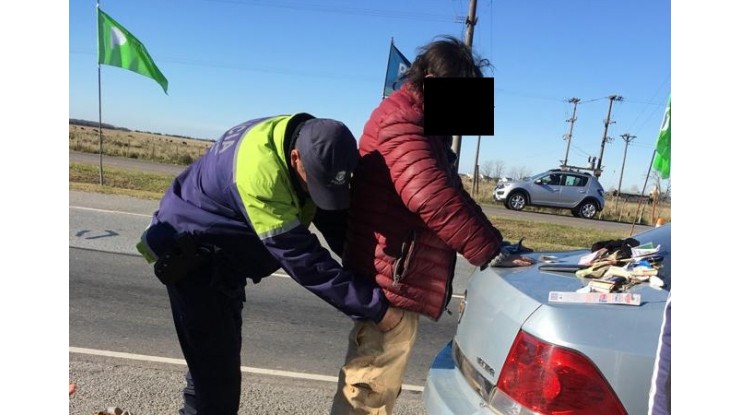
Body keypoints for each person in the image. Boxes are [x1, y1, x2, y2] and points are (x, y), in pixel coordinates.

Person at [136, 113, 403, 415]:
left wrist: (371, 271)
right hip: (195, 258)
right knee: (217, 390)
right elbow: (304, 261)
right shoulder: (261, 175)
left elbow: (332, 218)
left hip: (223, 254)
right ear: (295, 157)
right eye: (314, 185)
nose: (316, 193)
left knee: (212, 365)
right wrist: (376, 307)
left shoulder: (314, 145)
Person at [330, 36, 535, 415]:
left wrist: (497, 245)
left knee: (371, 389)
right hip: (389, 281)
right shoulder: (403, 122)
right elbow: (432, 199)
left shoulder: (424, 127)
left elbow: (453, 193)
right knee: (368, 393)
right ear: (431, 80)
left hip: (393, 275)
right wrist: (488, 252)